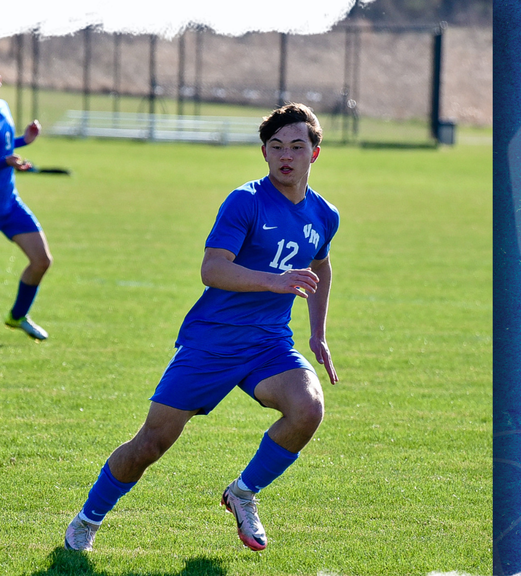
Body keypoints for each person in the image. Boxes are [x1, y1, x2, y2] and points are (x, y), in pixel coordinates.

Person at [63, 103, 340, 552]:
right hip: (212, 341)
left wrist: (317, 333)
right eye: (275, 147)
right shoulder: (246, 201)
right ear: (264, 154)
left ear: (315, 153)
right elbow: (212, 269)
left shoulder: (324, 215)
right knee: (151, 443)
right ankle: (87, 519)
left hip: (269, 344)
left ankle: (243, 493)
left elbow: (322, 268)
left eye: (296, 146)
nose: (286, 155)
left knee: (308, 409)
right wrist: (274, 281)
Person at [0, 74, 53, 340]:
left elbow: (5, 148)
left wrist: (24, 141)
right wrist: (4, 162)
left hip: (8, 203)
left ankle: (18, 315)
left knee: (41, 261)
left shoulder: (3, 106)